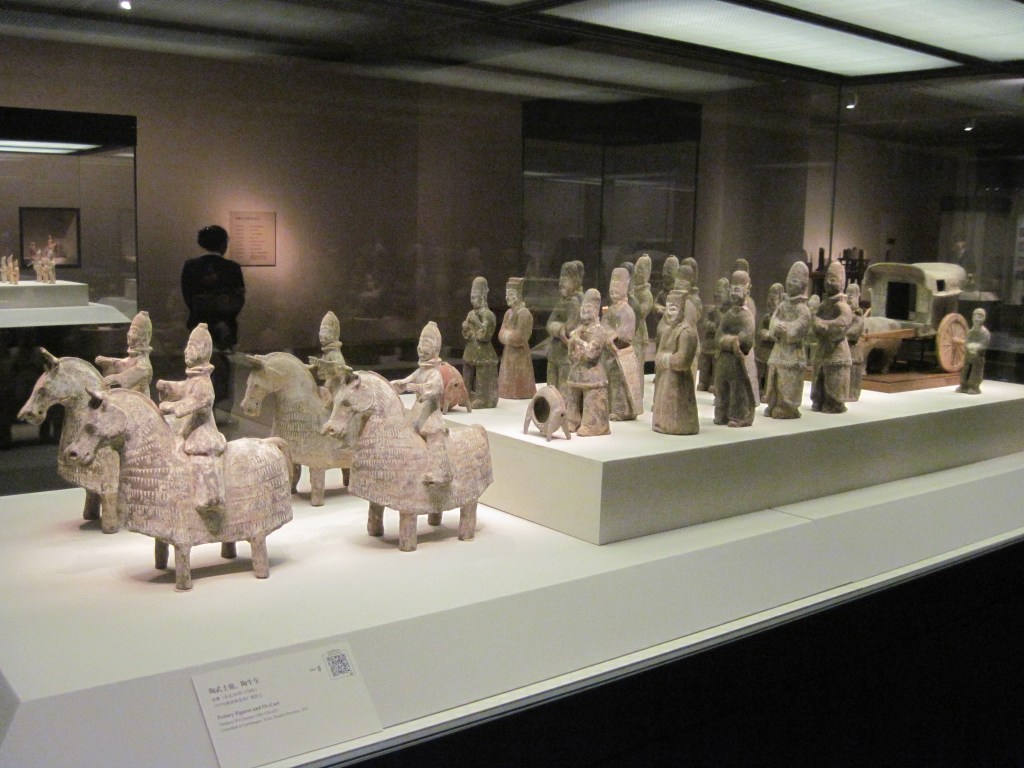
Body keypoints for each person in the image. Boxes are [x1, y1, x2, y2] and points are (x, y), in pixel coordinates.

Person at [180, 225, 245, 416]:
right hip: (225, 327)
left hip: (198, 324)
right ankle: (222, 410)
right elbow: (238, 299)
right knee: (224, 368)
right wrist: (224, 320)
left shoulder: (191, 266)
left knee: (197, 369)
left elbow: (188, 298)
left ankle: (198, 408)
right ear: (223, 244)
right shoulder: (232, 268)